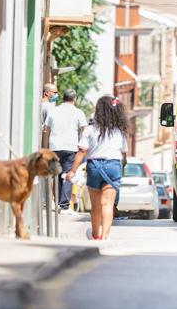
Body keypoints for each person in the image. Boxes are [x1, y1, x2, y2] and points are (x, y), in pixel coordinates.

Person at [67, 95, 128, 240]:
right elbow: (124, 154)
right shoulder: (119, 132)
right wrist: (121, 165)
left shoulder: (90, 130)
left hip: (94, 166)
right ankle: (105, 236)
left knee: (96, 206)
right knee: (107, 204)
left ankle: (96, 235)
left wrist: (72, 171)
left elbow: (82, 152)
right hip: (113, 166)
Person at [43, 88, 88, 213]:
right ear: (75, 99)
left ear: (63, 98)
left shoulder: (54, 111)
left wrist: (45, 147)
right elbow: (84, 130)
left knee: (56, 174)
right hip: (71, 147)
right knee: (68, 175)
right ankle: (64, 205)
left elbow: (46, 130)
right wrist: (82, 145)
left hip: (54, 147)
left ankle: (57, 202)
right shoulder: (79, 112)